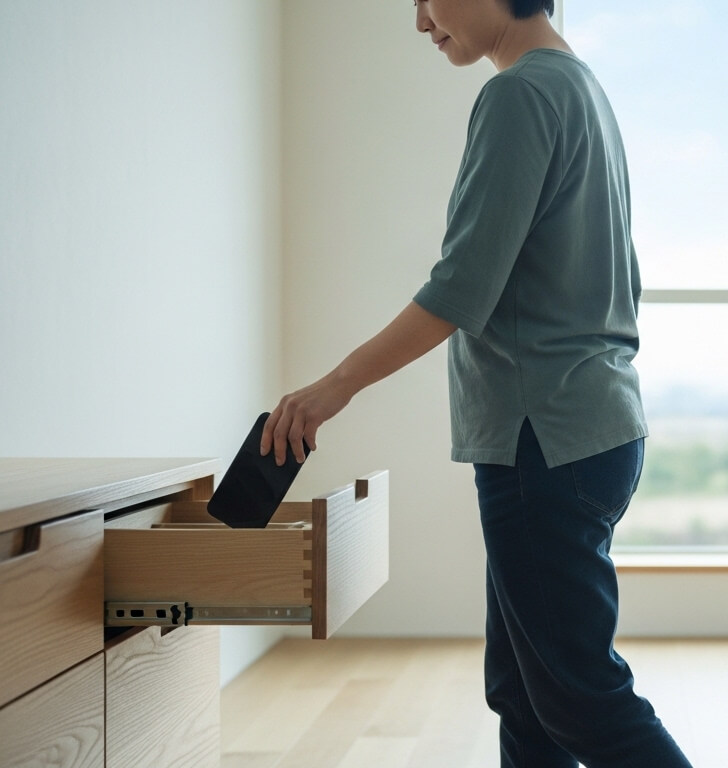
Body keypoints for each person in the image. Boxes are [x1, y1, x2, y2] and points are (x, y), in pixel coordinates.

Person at [259, 1, 693, 765]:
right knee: (525, 697)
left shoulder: (519, 93)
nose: (421, 20)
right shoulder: (579, 86)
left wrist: (332, 388)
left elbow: (462, 286)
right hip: (590, 430)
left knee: (577, 698)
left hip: (544, 439)